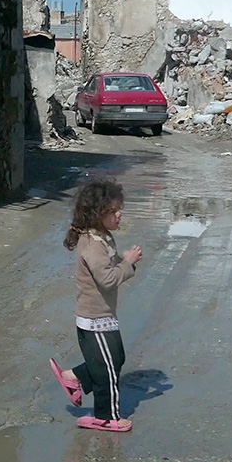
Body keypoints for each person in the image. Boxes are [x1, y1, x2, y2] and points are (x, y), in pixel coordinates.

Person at [49, 178, 142, 432]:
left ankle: (73, 377)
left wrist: (122, 262)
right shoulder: (91, 245)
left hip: (103, 316)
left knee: (116, 359)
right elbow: (108, 279)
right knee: (108, 370)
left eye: (119, 209)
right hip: (93, 319)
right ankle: (106, 417)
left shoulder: (102, 237)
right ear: (97, 214)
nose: (119, 215)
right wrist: (128, 263)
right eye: (113, 211)